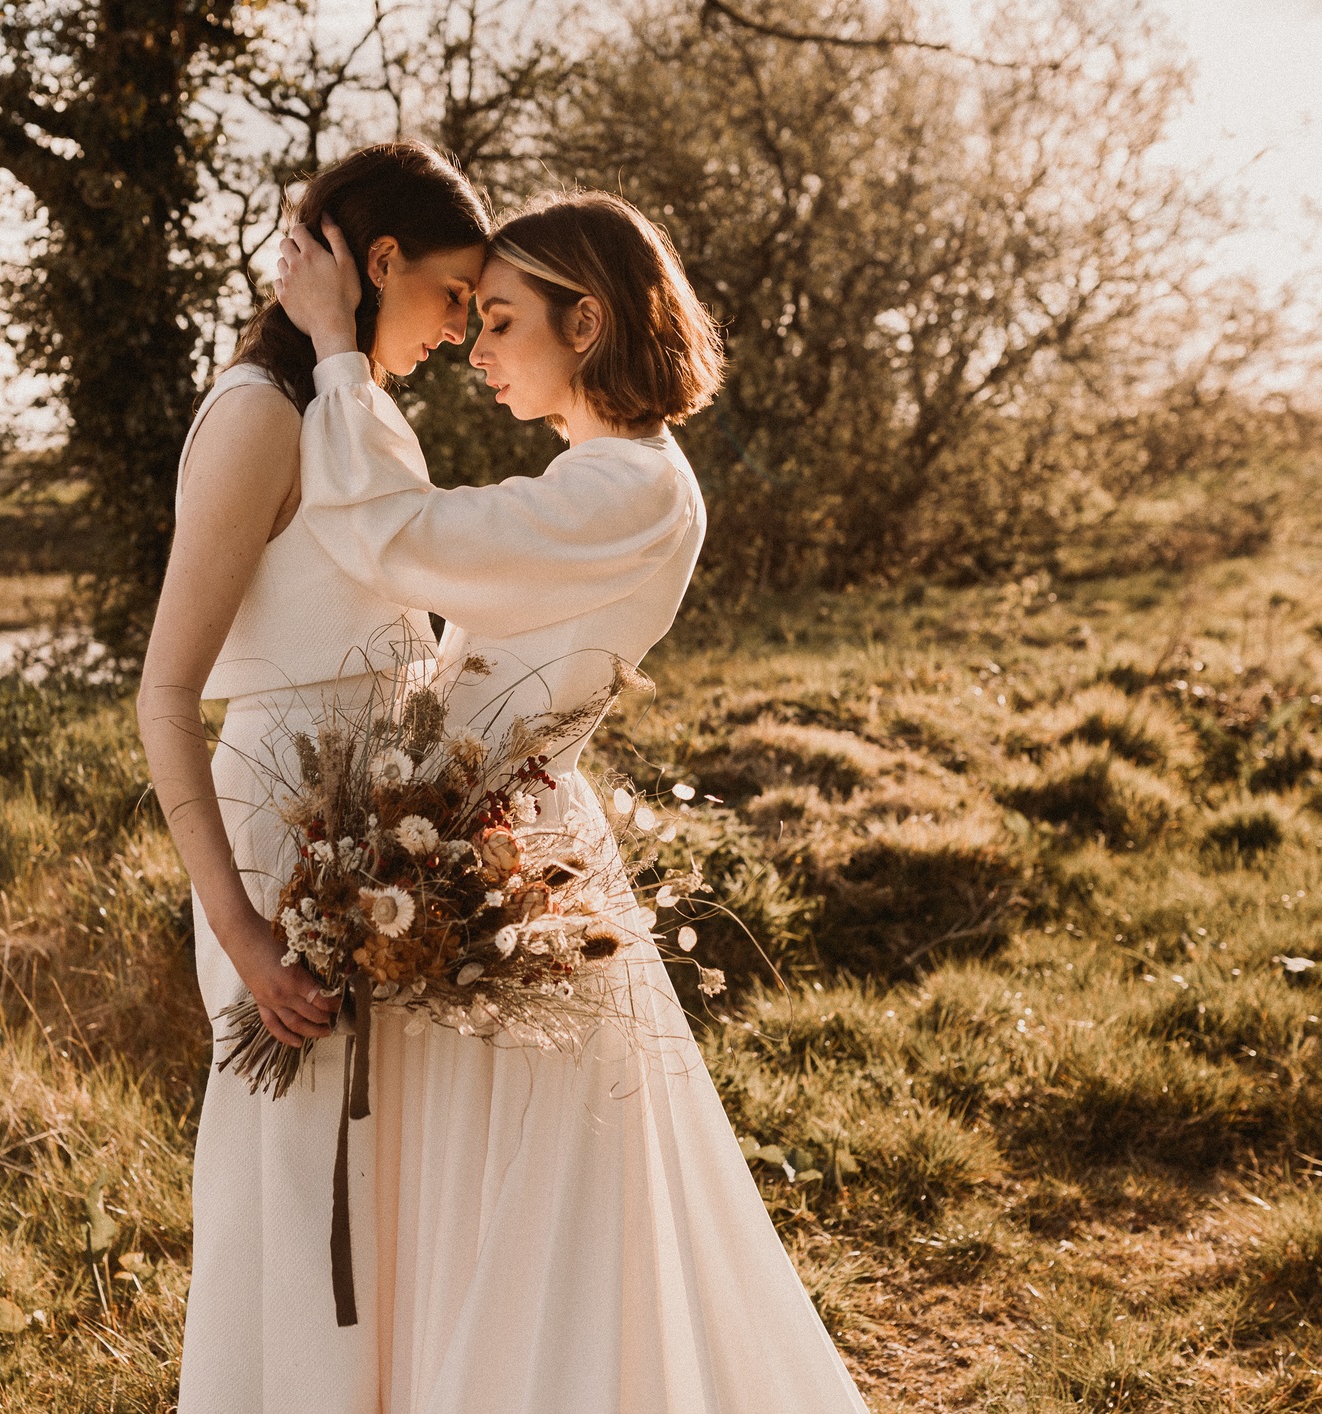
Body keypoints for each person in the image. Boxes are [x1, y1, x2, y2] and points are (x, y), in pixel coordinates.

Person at [270, 189, 872, 1411]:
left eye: (500, 321)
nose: (477, 351)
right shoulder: (593, 478)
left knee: (542, 1207)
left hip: (511, 860)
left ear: (585, 321)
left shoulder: (632, 490)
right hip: (482, 854)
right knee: (487, 1183)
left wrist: (339, 354)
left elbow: (400, 537)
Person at [133, 141, 489, 1413]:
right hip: (283, 847)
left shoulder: (356, 407)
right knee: (295, 1186)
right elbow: (165, 696)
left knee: (384, 1183)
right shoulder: (257, 420)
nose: (463, 327)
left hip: (381, 838)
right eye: (454, 294)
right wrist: (243, 933)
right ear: (377, 263)